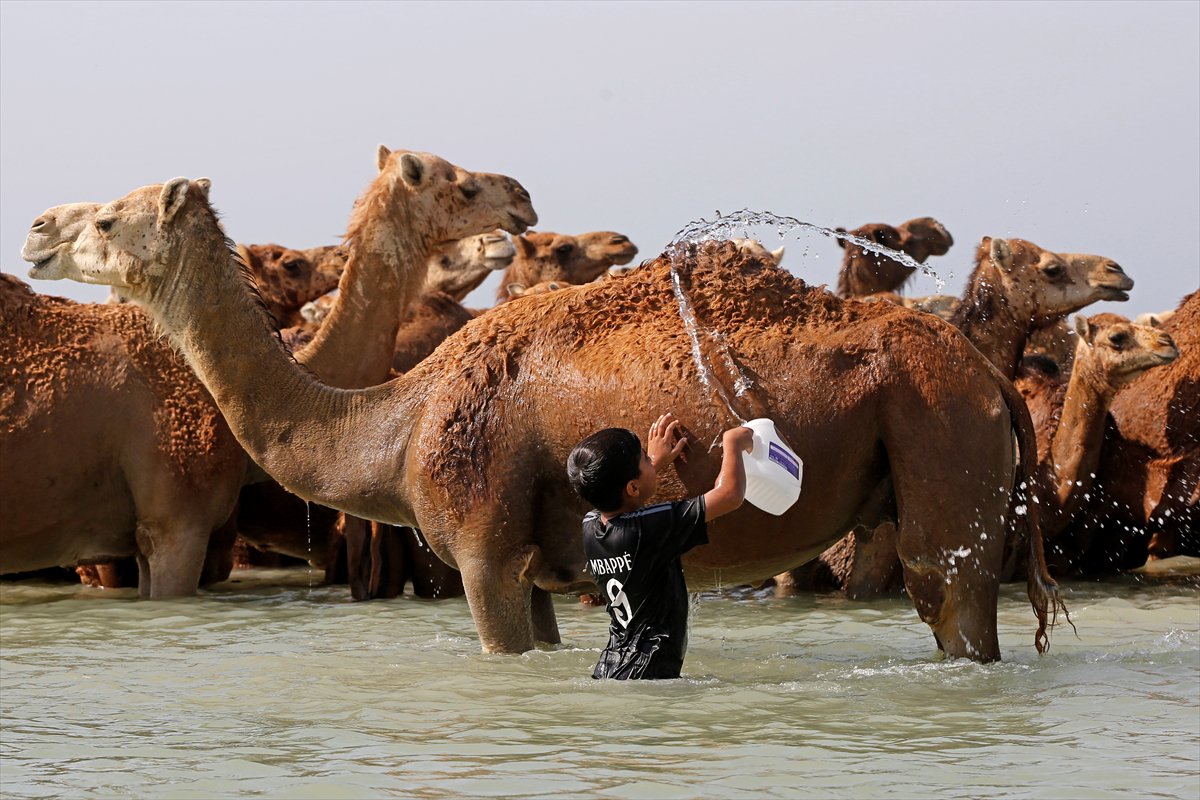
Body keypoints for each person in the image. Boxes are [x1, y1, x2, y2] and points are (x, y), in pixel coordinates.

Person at [566, 413, 754, 680]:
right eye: (645, 458)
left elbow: (627, 506)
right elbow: (729, 495)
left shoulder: (590, 524)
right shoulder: (648, 528)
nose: (650, 459)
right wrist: (733, 441)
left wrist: (651, 466)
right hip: (647, 673)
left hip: (611, 666)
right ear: (632, 487)